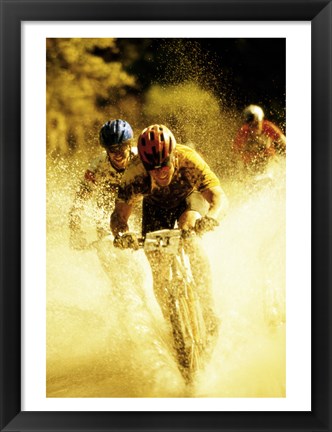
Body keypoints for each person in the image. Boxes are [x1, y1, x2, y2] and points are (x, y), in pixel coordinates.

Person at [110, 124, 228, 341]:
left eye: (164, 164)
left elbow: (219, 197)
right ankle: (173, 327)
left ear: (173, 157)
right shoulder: (134, 173)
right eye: (152, 168)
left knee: (188, 231)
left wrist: (211, 217)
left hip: (187, 199)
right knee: (158, 268)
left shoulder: (189, 160)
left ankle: (209, 311)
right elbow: (118, 217)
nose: (160, 172)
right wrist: (122, 235)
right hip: (156, 208)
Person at [69, 119, 136, 249]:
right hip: (109, 202)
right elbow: (79, 201)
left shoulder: (142, 157)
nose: (117, 154)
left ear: (129, 145)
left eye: (121, 147)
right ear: (106, 150)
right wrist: (75, 231)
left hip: (137, 198)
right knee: (105, 243)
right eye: (112, 149)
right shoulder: (97, 166)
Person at [233, 104, 286, 175]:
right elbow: (236, 154)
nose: (254, 128)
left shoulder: (268, 126)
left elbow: (284, 142)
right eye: (251, 125)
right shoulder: (243, 131)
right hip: (250, 166)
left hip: (269, 162)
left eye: (256, 124)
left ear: (261, 120)